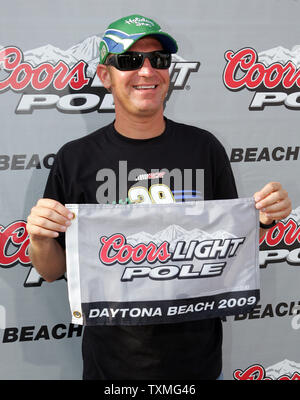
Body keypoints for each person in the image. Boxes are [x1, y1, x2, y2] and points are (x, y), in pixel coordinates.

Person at [26, 14, 292, 380]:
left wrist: (263, 219)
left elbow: (229, 245)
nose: (147, 71)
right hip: (111, 368)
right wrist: (39, 238)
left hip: (196, 363)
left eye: (159, 60)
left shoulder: (205, 147)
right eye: (130, 61)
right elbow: (52, 269)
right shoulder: (75, 158)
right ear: (105, 76)